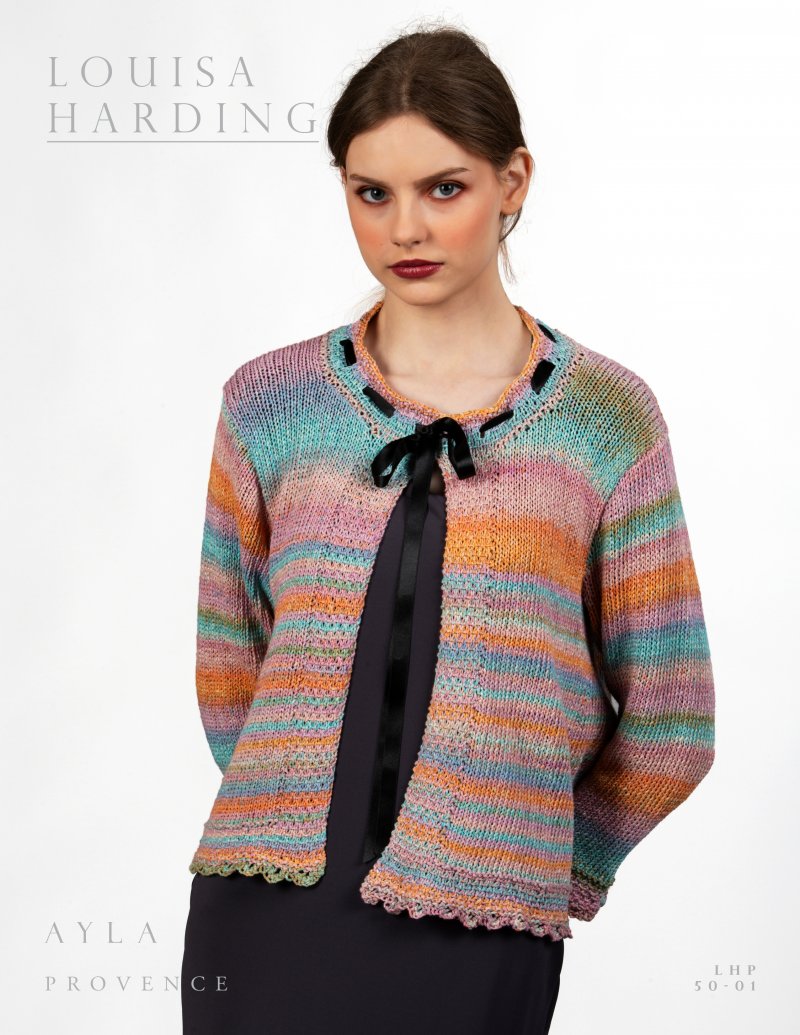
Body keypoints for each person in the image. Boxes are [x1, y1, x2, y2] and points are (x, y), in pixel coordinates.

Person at [180, 23, 716, 1035]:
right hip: (262, 907)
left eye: (443, 188)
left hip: (483, 924)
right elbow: (227, 669)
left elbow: (673, 716)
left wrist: (540, 853)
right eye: (371, 192)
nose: (405, 228)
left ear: (512, 182)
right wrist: (281, 796)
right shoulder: (268, 403)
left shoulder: (605, 422)